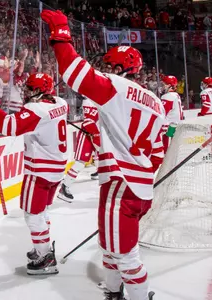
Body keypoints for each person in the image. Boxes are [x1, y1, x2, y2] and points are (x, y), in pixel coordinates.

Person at [42, 10, 165, 300]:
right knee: (112, 244)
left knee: (124, 253)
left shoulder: (116, 88)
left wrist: (61, 32)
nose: (106, 70)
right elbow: (158, 153)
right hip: (141, 186)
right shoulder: (157, 103)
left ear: (120, 68)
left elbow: (73, 71)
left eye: (109, 65)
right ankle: (113, 290)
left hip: (121, 184)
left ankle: (137, 295)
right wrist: (141, 171)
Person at [0, 72, 68, 276]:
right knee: (41, 211)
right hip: (57, 169)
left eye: (31, 89)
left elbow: (9, 126)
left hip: (40, 171)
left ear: (40, 92)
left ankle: (46, 258)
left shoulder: (37, 108)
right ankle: (44, 247)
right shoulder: (60, 102)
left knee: (33, 215)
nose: (27, 93)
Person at [58, 95, 100, 203]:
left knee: (101, 158)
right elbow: (88, 122)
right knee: (80, 162)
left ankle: (101, 176)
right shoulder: (89, 101)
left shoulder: (99, 99)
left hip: (98, 134)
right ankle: (64, 187)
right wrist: (96, 135)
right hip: (87, 134)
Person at [159, 75, 184, 151]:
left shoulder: (167, 96)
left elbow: (162, 113)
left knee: (166, 150)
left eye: (164, 85)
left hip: (169, 127)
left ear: (169, 86)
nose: (162, 87)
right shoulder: (176, 95)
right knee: (173, 149)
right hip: (176, 125)